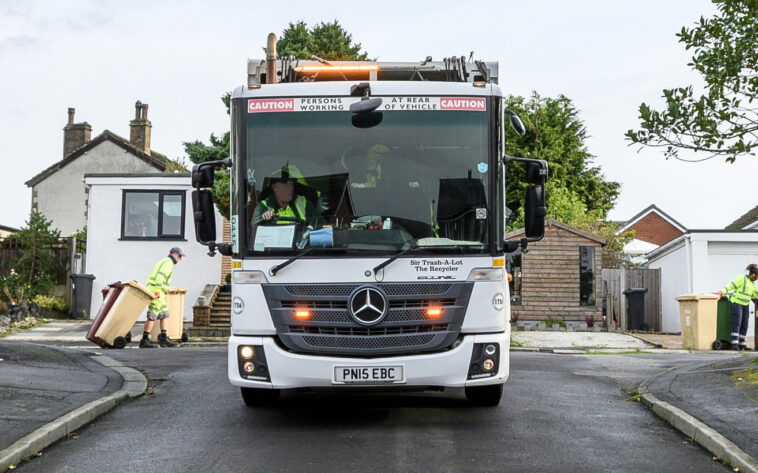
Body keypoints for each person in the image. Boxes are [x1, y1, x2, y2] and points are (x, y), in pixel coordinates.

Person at [140, 247, 184, 348]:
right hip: (157, 291)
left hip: (159, 291)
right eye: (180, 256)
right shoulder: (168, 263)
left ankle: (164, 338)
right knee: (152, 315)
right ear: (174, 254)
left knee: (165, 314)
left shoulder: (164, 261)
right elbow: (160, 277)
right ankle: (144, 340)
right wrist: (157, 292)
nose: (180, 259)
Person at [251, 167, 322, 227]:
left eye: (291, 184)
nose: (289, 188)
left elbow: (320, 225)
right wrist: (264, 218)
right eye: (285, 184)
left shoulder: (303, 203)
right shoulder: (263, 206)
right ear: (275, 187)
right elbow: (255, 224)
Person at [716, 263, 758, 351]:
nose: (757, 279)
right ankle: (734, 344)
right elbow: (731, 285)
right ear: (753, 275)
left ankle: (742, 343)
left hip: (745, 305)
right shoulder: (741, 278)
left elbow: (755, 294)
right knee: (736, 323)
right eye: (756, 277)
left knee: (744, 325)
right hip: (736, 303)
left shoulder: (752, 284)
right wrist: (722, 292)